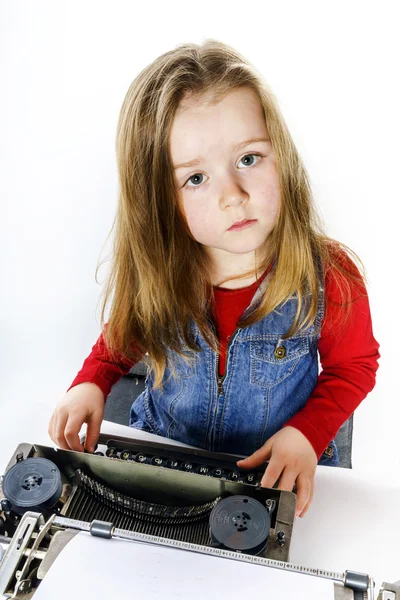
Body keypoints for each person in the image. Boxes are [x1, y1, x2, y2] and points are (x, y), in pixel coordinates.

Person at [48, 39, 380, 518]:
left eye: (249, 158)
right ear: (161, 200)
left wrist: (307, 432)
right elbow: (124, 332)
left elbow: (355, 367)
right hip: (166, 456)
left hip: (274, 470)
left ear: (280, 155)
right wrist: (91, 382)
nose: (233, 195)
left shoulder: (330, 277)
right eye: (196, 179)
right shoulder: (160, 270)